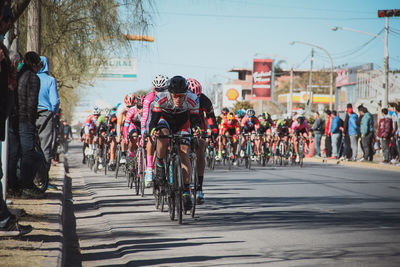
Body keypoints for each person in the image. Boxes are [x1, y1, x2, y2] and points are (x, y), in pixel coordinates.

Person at [149, 76, 201, 211]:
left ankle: (185, 190)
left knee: (184, 151)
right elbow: (153, 121)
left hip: (183, 123)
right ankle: (160, 163)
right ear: (170, 93)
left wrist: (196, 128)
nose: (178, 99)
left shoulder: (193, 99)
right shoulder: (161, 97)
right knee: (162, 134)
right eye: (175, 96)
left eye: (181, 96)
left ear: (186, 94)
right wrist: (153, 131)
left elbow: (195, 119)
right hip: (164, 120)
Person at [187, 78, 218, 204]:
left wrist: (213, 135)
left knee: (200, 149)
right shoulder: (180, 99)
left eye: (197, 97)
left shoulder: (204, 100)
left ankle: (199, 188)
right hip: (184, 125)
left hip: (199, 126)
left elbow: (212, 120)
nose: (195, 99)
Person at [141, 74, 169, 186]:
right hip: (153, 119)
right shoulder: (149, 98)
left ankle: (170, 167)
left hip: (166, 119)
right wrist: (145, 131)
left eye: (162, 89)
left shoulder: (169, 96)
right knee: (150, 140)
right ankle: (149, 169)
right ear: (154, 89)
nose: (159, 91)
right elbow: (145, 116)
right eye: (157, 89)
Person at [36, 56, 60, 171]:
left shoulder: (31, 77)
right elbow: (55, 102)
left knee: (29, 146)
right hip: (46, 115)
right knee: (45, 146)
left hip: (29, 114)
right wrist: (53, 114)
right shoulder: (51, 80)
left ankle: (28, 178)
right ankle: (43, 178)